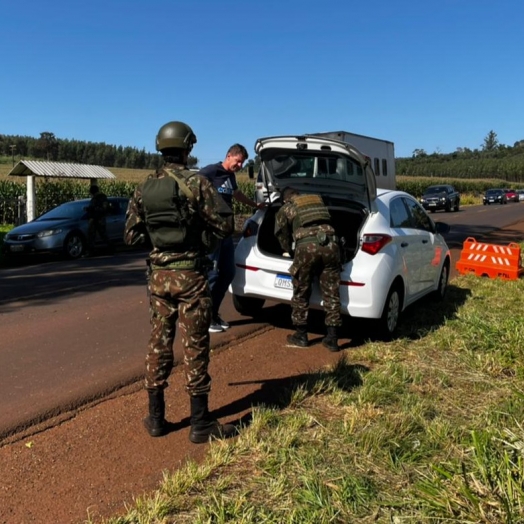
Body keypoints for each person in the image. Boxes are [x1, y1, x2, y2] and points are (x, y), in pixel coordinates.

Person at [124, 121, 236, 444]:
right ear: (187, 149)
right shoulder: (197, 184)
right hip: (191, 277)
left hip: (158, 279)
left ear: (161, 148)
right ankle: (200, 423)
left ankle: (156, 418)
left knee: (159, 344)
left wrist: (160, 237)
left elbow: (131, 235)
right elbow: (225, 225)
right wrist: (200, 234)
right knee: (196, 346)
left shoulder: (144, 187)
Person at [199, 144, 265, 333]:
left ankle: (214, 312)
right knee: (212, 274)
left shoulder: (231, 177)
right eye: (238, 161)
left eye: (242, 163)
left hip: (226, 233)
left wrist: (255, 205)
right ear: (228, 156)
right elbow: (192, 189)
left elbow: (236, 194)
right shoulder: (211, 171)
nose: (240, 165)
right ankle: (204, 319)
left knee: (228, 272)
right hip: (211, 233)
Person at [275, 187, 342, 352]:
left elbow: (281, 234)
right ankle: (332, 339)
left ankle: (301, 335)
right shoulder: (317, 203)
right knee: (332, 293)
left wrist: (289, 251)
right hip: (331, 245)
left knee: (301, 291)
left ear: (285, 199)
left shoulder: (286, 207)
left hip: (306, 247)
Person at [85, 184, 112, 256]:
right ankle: (91, 250)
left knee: (103, 235)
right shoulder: (95, 198)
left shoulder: (101, 197)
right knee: (91, 236)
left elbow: (104, 208)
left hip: (99, 219)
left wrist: (93, 209)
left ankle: (110, 248)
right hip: (94, 219)